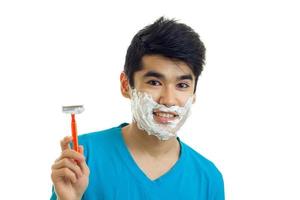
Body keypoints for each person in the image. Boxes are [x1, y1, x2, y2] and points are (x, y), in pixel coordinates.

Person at [50, 16, 225, 200]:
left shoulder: (209, 178)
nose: (168, 100)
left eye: (182, 85)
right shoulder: (83, 156)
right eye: (154, 82)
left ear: (194, 93)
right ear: (126, 85)